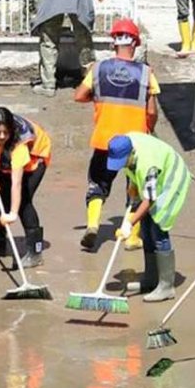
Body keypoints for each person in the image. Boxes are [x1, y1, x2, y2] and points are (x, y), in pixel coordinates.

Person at [73, 19, 158, 250]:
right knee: (136, 188)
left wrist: (97, 98)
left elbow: (79, 95)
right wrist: (150, 129)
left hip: (105, 140)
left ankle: (92, 226)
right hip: (136, 143)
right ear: (135, 44)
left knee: (98, 184)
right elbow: (151, 111)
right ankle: (131, 237)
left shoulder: (98, 69)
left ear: (114, 43)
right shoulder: (145, 73)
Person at [105, 132, 190, 302]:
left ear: (131, 154)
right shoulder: (124, 143)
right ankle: (151, 280)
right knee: (146, 228)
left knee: (158, 229)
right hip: (155, 179)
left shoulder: (148, 163)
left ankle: (166, 287)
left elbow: (149, 199)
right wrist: (134, 185)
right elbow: (135, 174)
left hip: (171, 181)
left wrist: (129, 223)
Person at [0, 107, 52, 268]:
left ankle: (35, 253)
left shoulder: (19, 145)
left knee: (23, 201)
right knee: (1, 194)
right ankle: (0, 237)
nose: (2, 136)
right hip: (4, 154)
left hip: (35, 156)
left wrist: (13, 214)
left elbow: (16, 182)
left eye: (6, 132)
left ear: (11, 130)